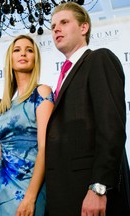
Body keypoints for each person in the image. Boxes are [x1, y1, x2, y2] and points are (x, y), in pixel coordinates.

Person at [45, 2, 130, 216]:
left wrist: (99, 187)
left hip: (90, 193)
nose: (56, 28)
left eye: (64, 22)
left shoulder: (99, 59)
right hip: (64, 193)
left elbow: (112, 128)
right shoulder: (64, 75)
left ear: (84, 28)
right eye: (53, 25)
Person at [0, 35, 54, 216]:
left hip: (28, 190)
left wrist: (30, 197)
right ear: (10, 58)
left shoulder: (42, 92)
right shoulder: (6, 106)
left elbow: (45, 147)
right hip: (1, 193)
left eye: (29, 50)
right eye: (17, 50)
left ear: (35, 58)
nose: (23, 53)